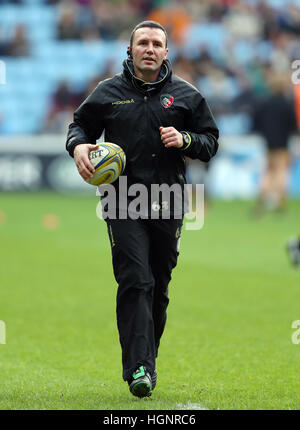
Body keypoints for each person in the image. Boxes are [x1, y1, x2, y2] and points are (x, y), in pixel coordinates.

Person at [66, 20, 219, 398]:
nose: (149, 48)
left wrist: (185, 139)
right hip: (122, 200)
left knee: (160, 287)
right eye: (142, 43)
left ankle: (145, 360)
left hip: (169, 200)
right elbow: (79, 127)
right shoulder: (108, 93)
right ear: (130, 50)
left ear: (167, 52)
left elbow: (211, 142)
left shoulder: (187, 96)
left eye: (156, 44)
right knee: (137, 279)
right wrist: (79, 147)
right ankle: (139, 368)